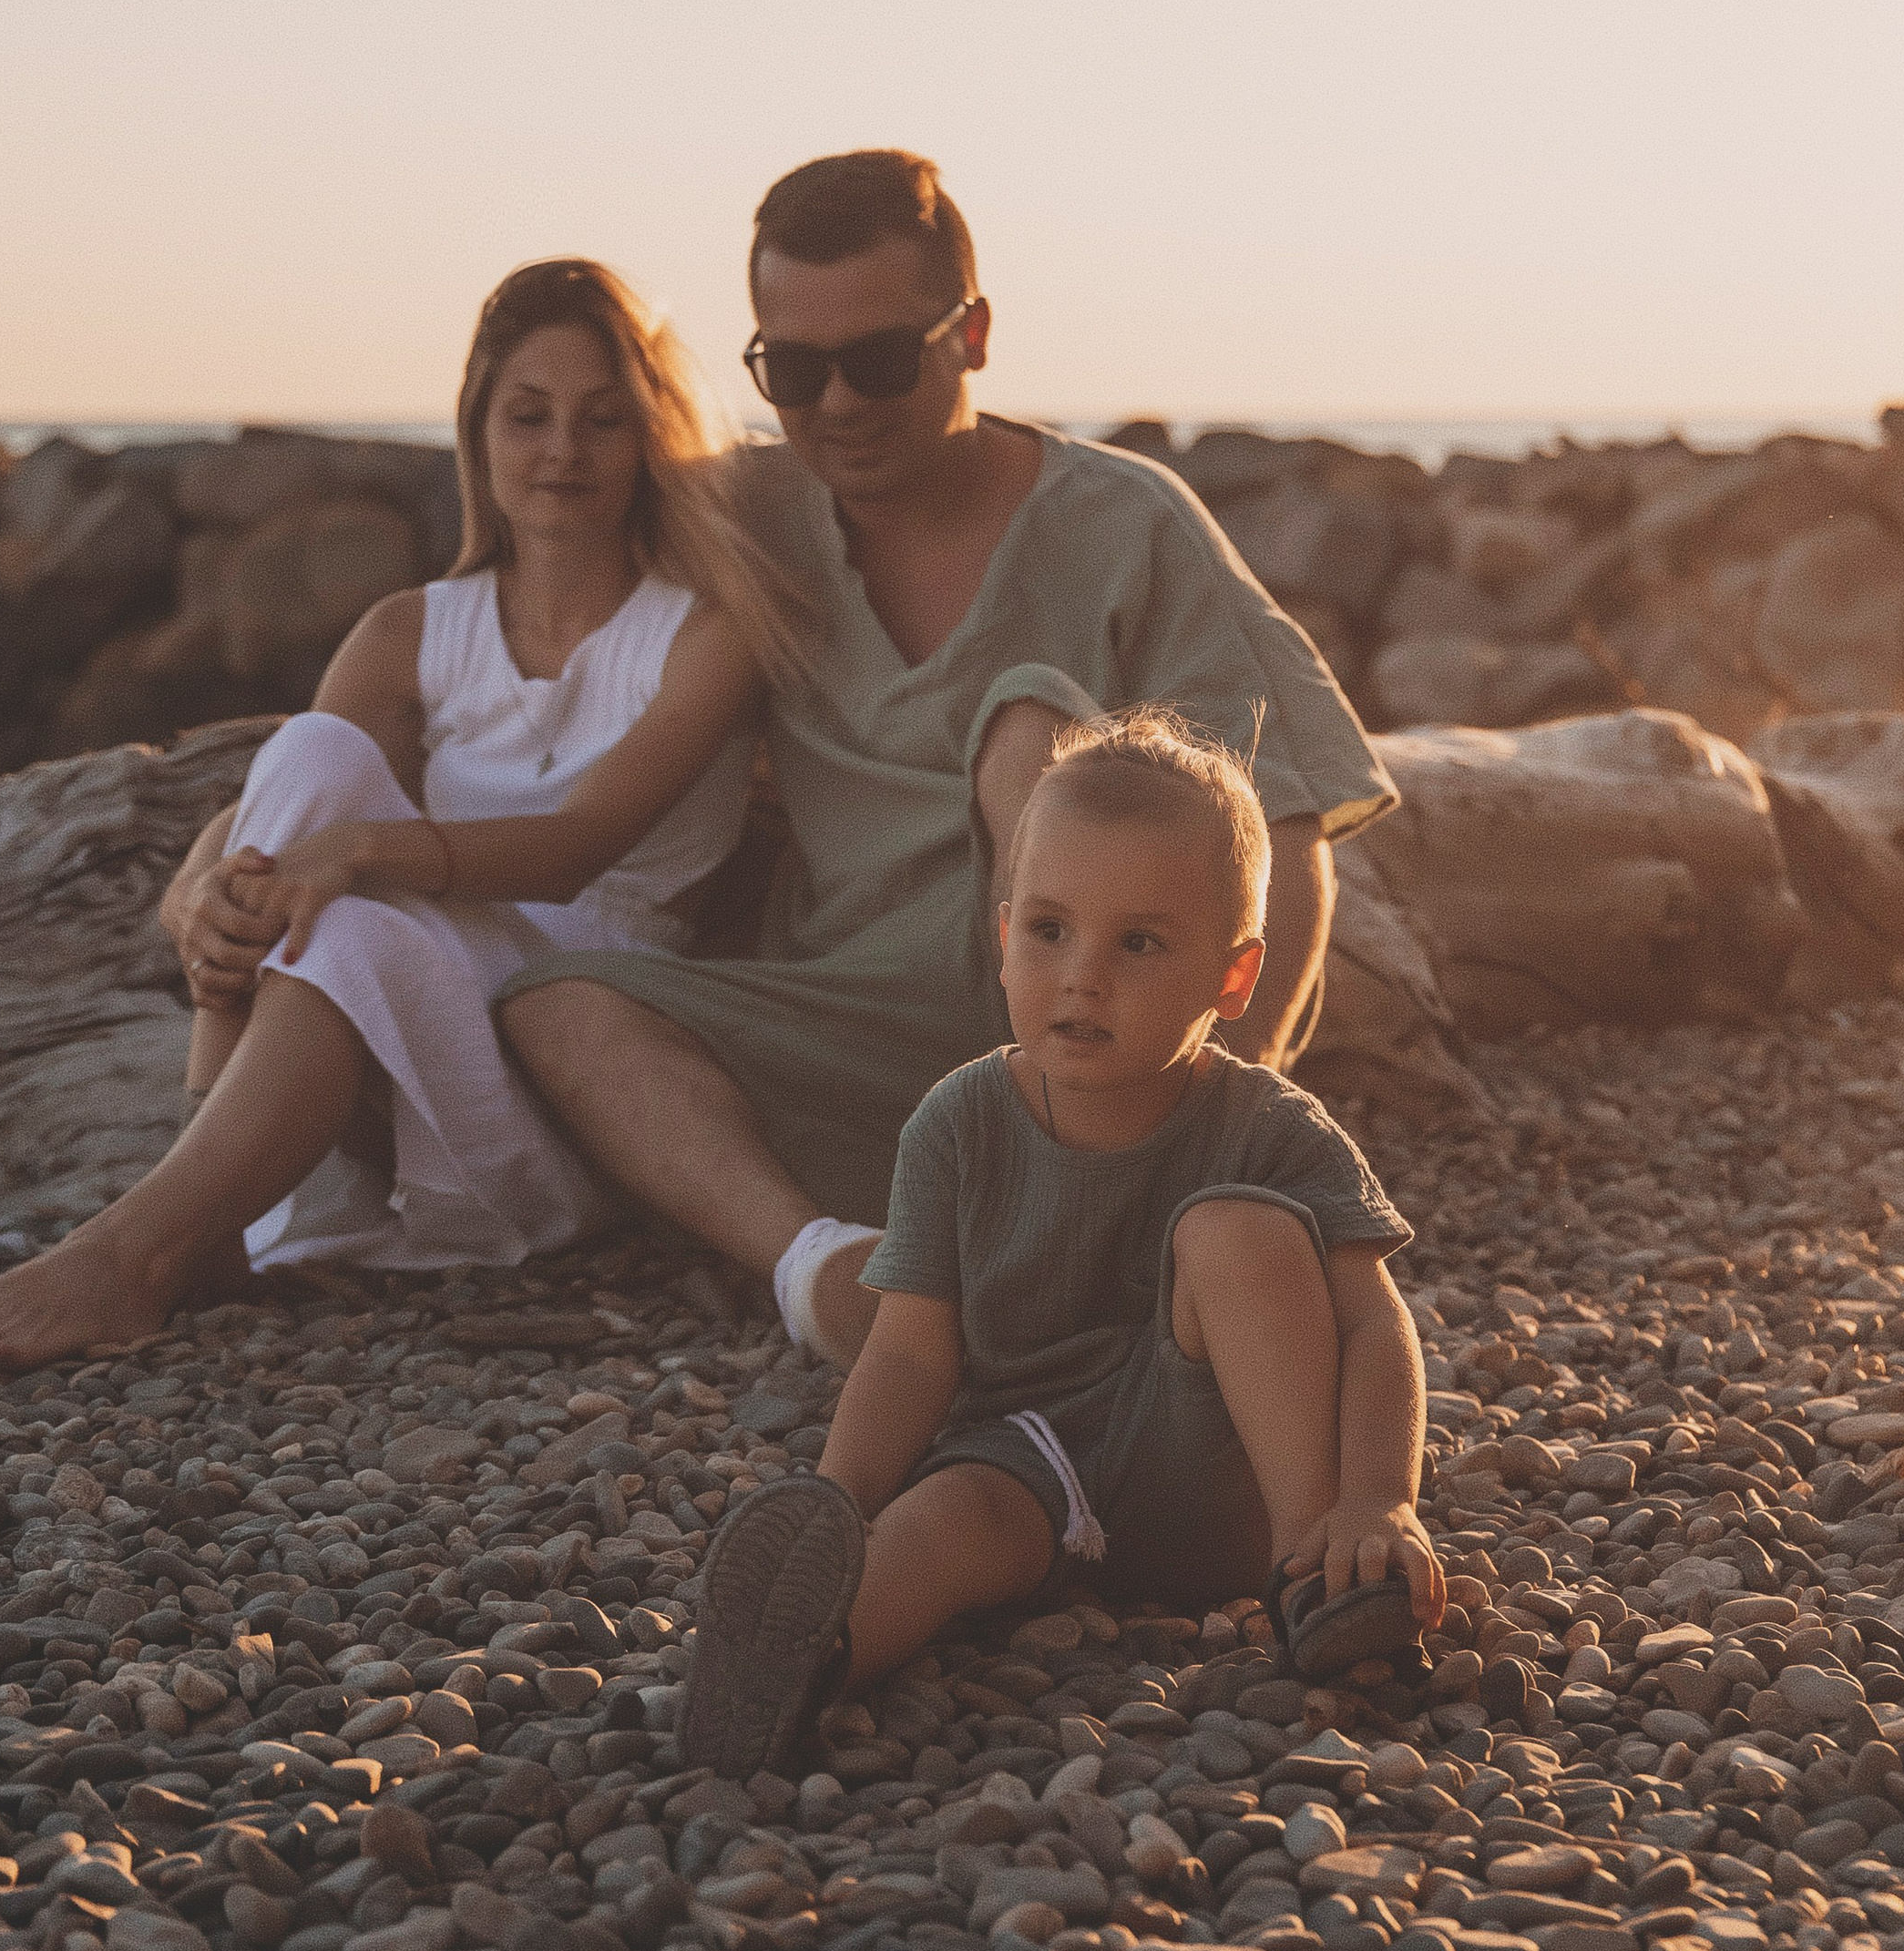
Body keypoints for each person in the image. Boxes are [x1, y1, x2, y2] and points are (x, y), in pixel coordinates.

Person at [497, 149, 1397, 1370]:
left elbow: (1282, 830)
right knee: (560, 1006)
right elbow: (496, 623)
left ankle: (1094, 1204)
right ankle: (831, 1272)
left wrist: (1215, 1128)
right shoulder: (745, 518)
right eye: (794, 371)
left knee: (1026, 717)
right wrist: (279, 811)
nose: (836, 406)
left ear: (969, 334)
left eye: (877, 361)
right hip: (843, 1013)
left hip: (1080, 1013)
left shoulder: (1127, 525)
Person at [0, 259, 790, 1371]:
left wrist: (357, 849)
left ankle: (133, 1249)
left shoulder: (704, 636)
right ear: (478, 430)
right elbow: (296, 800)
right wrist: (204, 874)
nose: (564, 451)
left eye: (602, 419)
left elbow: (574, 851)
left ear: (650, 435)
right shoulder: (411, 630)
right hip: (411, 1043)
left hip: (589, 1067)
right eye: (529, 415)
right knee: (318, 759)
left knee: (354, 912)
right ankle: (196, 1223)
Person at [676, 709, 1441, 1788]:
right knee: (940, 1521)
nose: (1083, 976)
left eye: (1138, 943)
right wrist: (839, 1498)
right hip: (1033, 1461)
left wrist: (1377, 1499)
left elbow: (1372, 1321)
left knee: (1236, 1232)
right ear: (1002, 940)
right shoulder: (957, 1123)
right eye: (1049, 931)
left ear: (1231, 980)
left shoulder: (1272, 1130)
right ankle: (808, 1654)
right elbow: (907, 1354)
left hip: (1229, 1479)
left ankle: (1316, 1579)